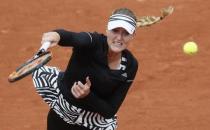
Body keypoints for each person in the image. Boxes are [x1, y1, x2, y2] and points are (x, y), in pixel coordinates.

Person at [32, 7, 138, 130]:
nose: (119, 38)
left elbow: (110, 111)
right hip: (62, 116)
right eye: (115, 30)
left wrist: (88, 96)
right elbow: (74, 37)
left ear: (133, 35)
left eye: (126, 33)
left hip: (93, 124)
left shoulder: (130, 66)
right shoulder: (93, 42)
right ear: (107, 29)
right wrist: (57, 35)